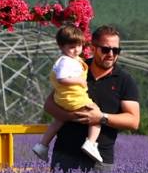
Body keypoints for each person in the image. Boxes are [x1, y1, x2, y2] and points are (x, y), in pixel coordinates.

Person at [42, 25, 140, 173]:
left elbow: (133, 121)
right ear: (93, 48)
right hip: (64, 155)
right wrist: (72, 116)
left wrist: (101, 118)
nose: (111, 54)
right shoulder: (75, 67)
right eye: (106, 49)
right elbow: (49, 104)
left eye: (116, 50)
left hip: (99, 161)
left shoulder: (124, 80)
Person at [33, 24, 102, 163]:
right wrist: (80, 81)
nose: (76, 50)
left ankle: (42, 145)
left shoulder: (71, 59)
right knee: (96, 115)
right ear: (61, 47)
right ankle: (91, 143)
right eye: (72, 47)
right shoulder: (65, 61)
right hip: (73, 98)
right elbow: (62, 79)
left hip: (62, 99)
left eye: (79, 46)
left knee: (59, 120)